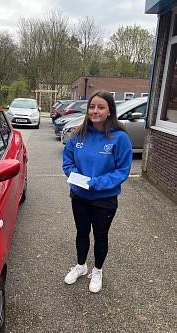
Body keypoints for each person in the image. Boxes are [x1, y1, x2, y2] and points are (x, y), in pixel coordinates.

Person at [62, 90, 132, 293]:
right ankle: (81, 266)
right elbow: (68, 161)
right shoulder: (78, 134)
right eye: (92, 107)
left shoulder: (119, 138)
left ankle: (97, 270)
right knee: (81, 233)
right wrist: (77, 178)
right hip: (79, 195)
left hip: (104, 199)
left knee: (100, 236)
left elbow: (122, 171)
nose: (95, 111)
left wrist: (95, 183)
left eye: (101, 107)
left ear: (110, 110)